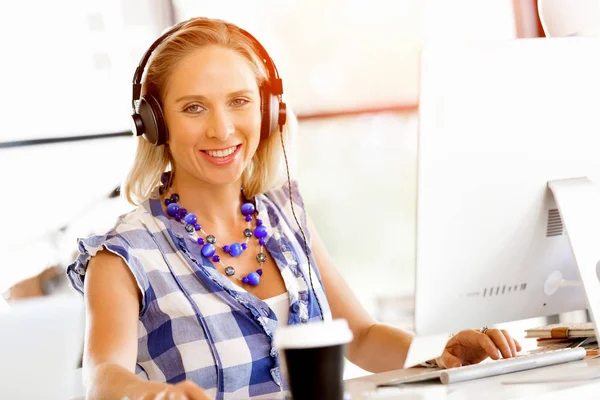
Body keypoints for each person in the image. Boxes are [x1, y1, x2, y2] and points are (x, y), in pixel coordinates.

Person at [66, 16, 522, 400]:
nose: (222, 129)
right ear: (155, 123)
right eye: (193, 108)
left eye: (239, 102)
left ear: (268, 112)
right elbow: (103, 377)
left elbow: (361, 337)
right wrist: (154, 395)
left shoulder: (286, 216)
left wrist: (440, 352)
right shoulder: (123, 256)